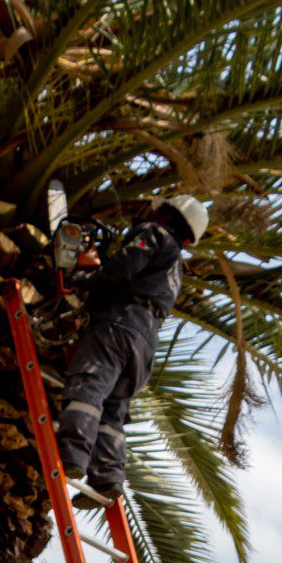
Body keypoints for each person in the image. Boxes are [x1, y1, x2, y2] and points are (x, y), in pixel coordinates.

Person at [55, 192, 209, 502]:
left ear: (166, 214)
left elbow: (124, 267)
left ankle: (72, 456)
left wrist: (85, 280)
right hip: (145, 343)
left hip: (118, 325)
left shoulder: (154, 234)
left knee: (89, 385)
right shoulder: (177, 268)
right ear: (190, 241)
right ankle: (107, 479)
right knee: (113, 411)